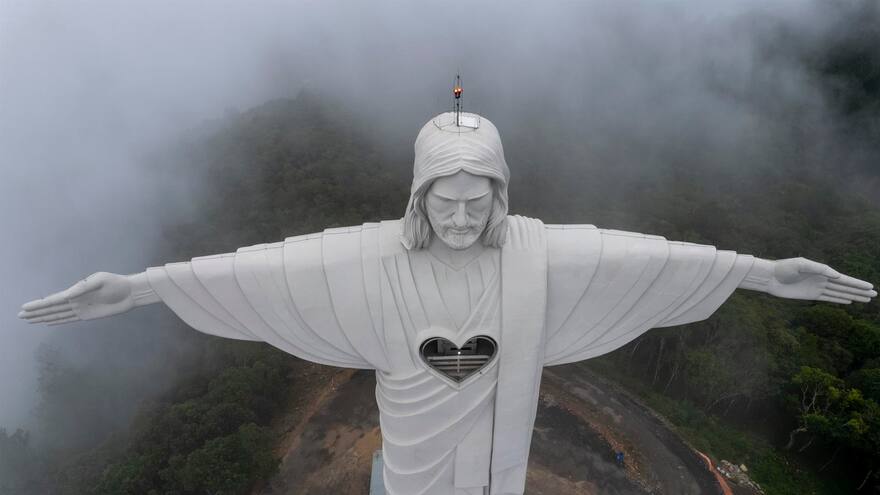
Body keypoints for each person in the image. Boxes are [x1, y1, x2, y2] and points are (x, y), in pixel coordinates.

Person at [19, 112, 875, 495]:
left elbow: (643, 260)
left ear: (501, 196)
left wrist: (758, 270)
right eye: (445, 202)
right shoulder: (367, 259)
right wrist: (144, 287)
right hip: (415, 466)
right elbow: (260, 271)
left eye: (478, 202)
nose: (461, 220)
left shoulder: (539, 255)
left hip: (498, 470)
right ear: (418, 199)